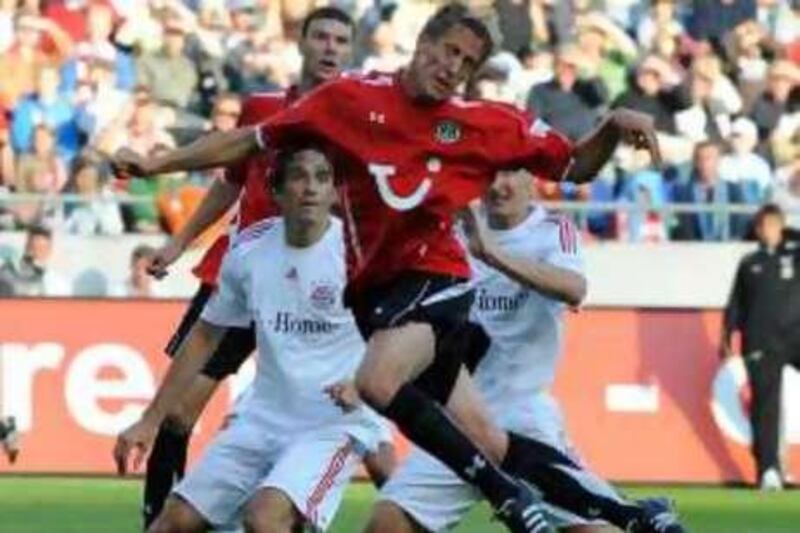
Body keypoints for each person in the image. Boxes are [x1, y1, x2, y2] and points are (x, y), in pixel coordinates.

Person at [112, 5, 665, 532]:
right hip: (378, 297)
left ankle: (507, 497)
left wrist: (613, 129)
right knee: (489, 442)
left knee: (376, 383)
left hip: (439, 278)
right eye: (448, 51)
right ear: (422, 43)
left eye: (467, 63)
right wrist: (159, 162)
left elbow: (574, 165)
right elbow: (246, 142)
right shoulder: (348, 100)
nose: (453, 68)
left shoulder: (483, 124)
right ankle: (629, 513)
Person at [122, 7, 389, 529]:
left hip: (321, 277)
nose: (331, 48)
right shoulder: (264, 107)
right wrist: (180, 243)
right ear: (302, 43)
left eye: (341, 40)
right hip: (247, 271)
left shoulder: (359, 119)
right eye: (322, 38)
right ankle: (161, 514)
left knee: (354, 422)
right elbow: (229, 179)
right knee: (178, 413)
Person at [363, 168, 681, 533]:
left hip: (523, 415)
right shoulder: (453, 234)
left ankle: (627, 511)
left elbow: (574, 288)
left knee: (593, 528)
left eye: (511, 174)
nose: (499, 185)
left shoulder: (553, 232)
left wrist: (494, 255)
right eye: (491, 174)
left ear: (533, 179)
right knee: (387, 524)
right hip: (458, 419)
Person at [722, 203, 800, 491]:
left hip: (795, 337)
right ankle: (768, 470)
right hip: (761, 341)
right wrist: (727, 335)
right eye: (761, 226)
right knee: (765, 406)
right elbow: (735, 304)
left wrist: (789, 232)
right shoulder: (749, 262)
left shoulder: (795, 254)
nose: (765, 231)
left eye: (771, 225)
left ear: (780, 227)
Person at [0, 224, 70, 297]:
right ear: (26, 247)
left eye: (41, 249)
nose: (36, 254)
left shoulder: (58, 284)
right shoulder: (8, 274)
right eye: (33, 248)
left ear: (49, 251)